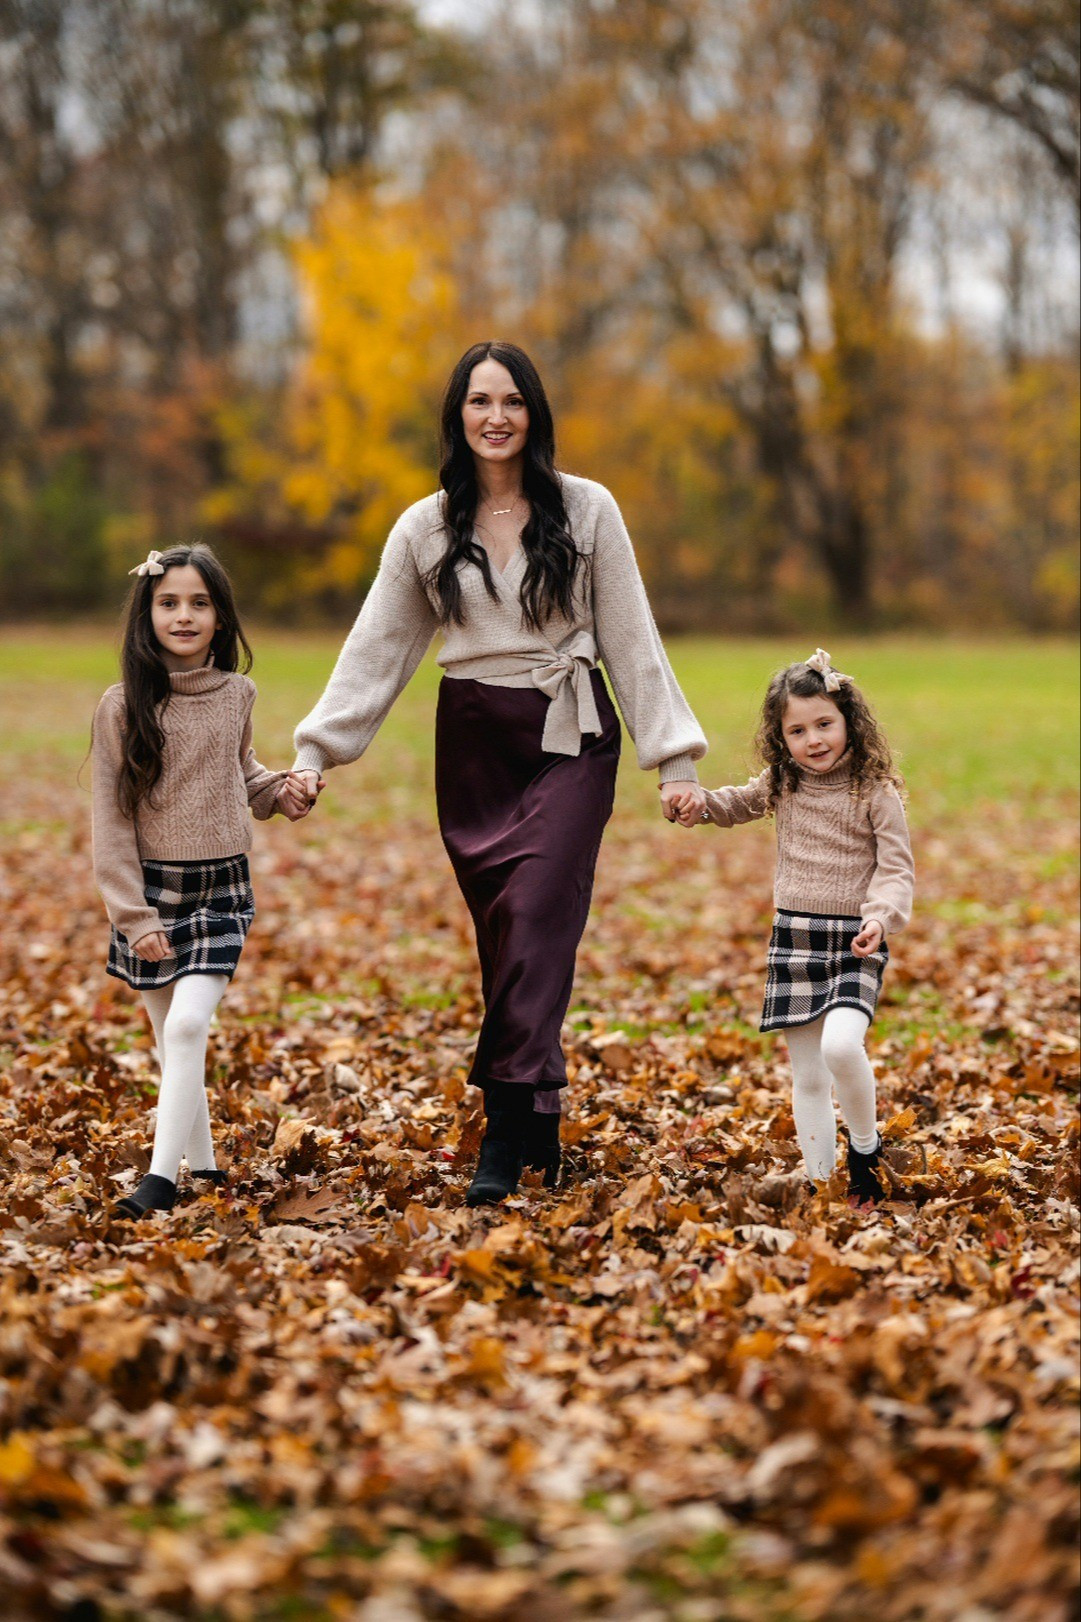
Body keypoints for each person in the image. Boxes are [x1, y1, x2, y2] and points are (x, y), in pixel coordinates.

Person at [292, 340, 708, 1205]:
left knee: (534, 913)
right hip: (474, 740)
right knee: (510, 940)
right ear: (458, 416)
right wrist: (317, 749)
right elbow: (378, 647)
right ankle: (544, 1118)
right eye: (479, 401)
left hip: (569, 733)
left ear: (534, 414)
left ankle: (503, 1131)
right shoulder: (425, 527)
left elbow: (632, 636)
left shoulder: (587, 510)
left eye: (511, 401)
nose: (495, 417)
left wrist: (671, 758)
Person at [91, 544, 312, 1219]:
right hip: (150, 897)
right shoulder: (123, 705)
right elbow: (110, 818)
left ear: (220, 616)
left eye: (199, 603)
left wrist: (280, 792)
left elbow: (238, 771)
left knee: (187, 1029)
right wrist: (135, 917)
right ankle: (207, 1164)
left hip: (220, 890)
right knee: (169, 1040)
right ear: (147, 613)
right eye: (168, 602)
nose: (183, 615)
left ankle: (160, 1181)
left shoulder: (236, 694)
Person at [677, 649, 914, 1203]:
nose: (814, 740)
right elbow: (734, 804)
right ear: (781, 738)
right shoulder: (783, 783)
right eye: (798, 730)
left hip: (856, 941)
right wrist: (698, 804)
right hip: (794, 937)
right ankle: (819, 1183)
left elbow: (897, 868)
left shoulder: (873, 791)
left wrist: (880, 917)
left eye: (824, 724)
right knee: (807, 1075)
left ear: (849, 722)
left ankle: (865, 1150)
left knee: (840, 1047)